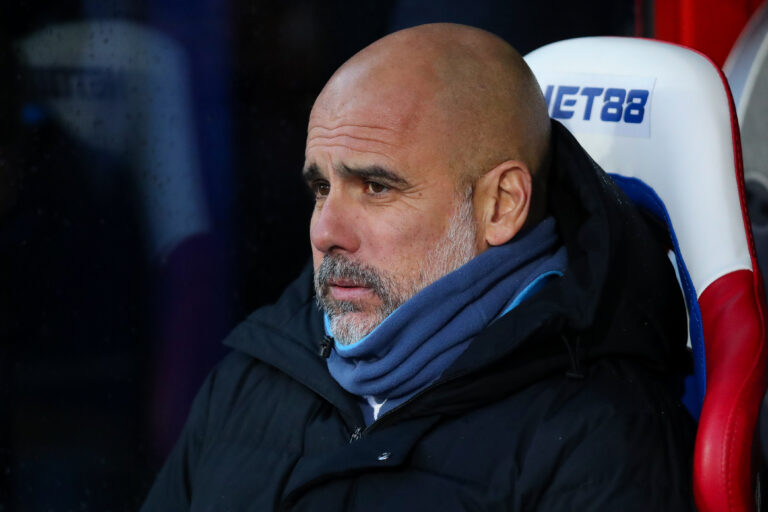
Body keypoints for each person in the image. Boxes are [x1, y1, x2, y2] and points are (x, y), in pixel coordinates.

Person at [141, 23, 695, 510]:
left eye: (375, 187)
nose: (325, 232)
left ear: (501, 205)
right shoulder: (255, 374)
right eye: (321, 188)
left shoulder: (598, 436)